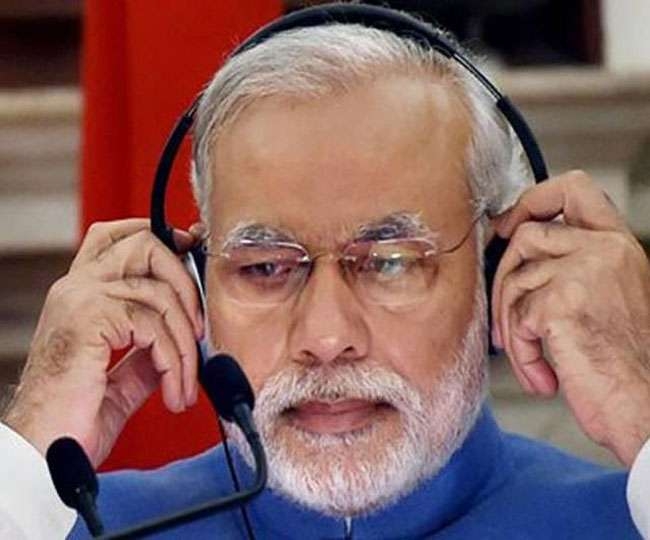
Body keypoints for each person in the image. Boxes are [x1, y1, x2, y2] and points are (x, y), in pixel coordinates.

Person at [2, 12, 650, 539]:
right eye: (264, 267)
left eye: (390, 262)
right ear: (194, 287)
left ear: (496, 271)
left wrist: (640, 411)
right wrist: (31, 444)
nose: (326, 337)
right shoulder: (72, 529)